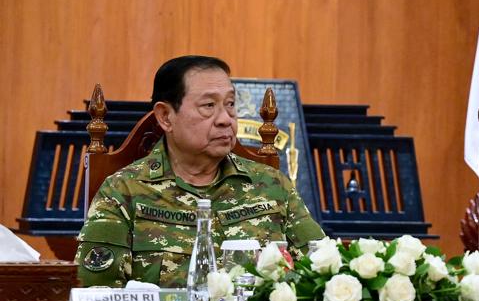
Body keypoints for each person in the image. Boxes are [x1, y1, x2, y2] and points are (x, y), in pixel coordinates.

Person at [76, 56, 325, 287]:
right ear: (165, 117)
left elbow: (322, 271)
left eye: (230, 104)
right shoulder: (123, 192)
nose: (226, 119)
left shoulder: (272, 185)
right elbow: (97, 296)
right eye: (208, 105)